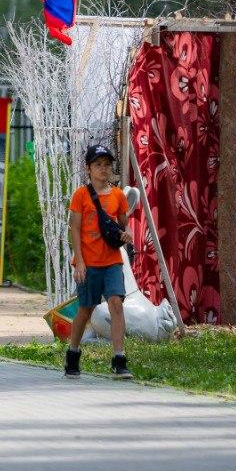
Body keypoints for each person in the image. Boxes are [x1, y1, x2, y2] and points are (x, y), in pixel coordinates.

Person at [64, 145, 134, 379]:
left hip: (112, 262)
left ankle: (119, 358)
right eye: (98, 165)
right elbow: (75, 229)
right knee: (86, 309)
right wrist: (80, 262)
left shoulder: (118, 196)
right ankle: (73, 354)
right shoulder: (81, 195)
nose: (103, 169)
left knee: (116, 303)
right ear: (88, 168)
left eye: (106, 164)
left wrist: (127, 234)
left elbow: (124, 226)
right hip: (89, 263)